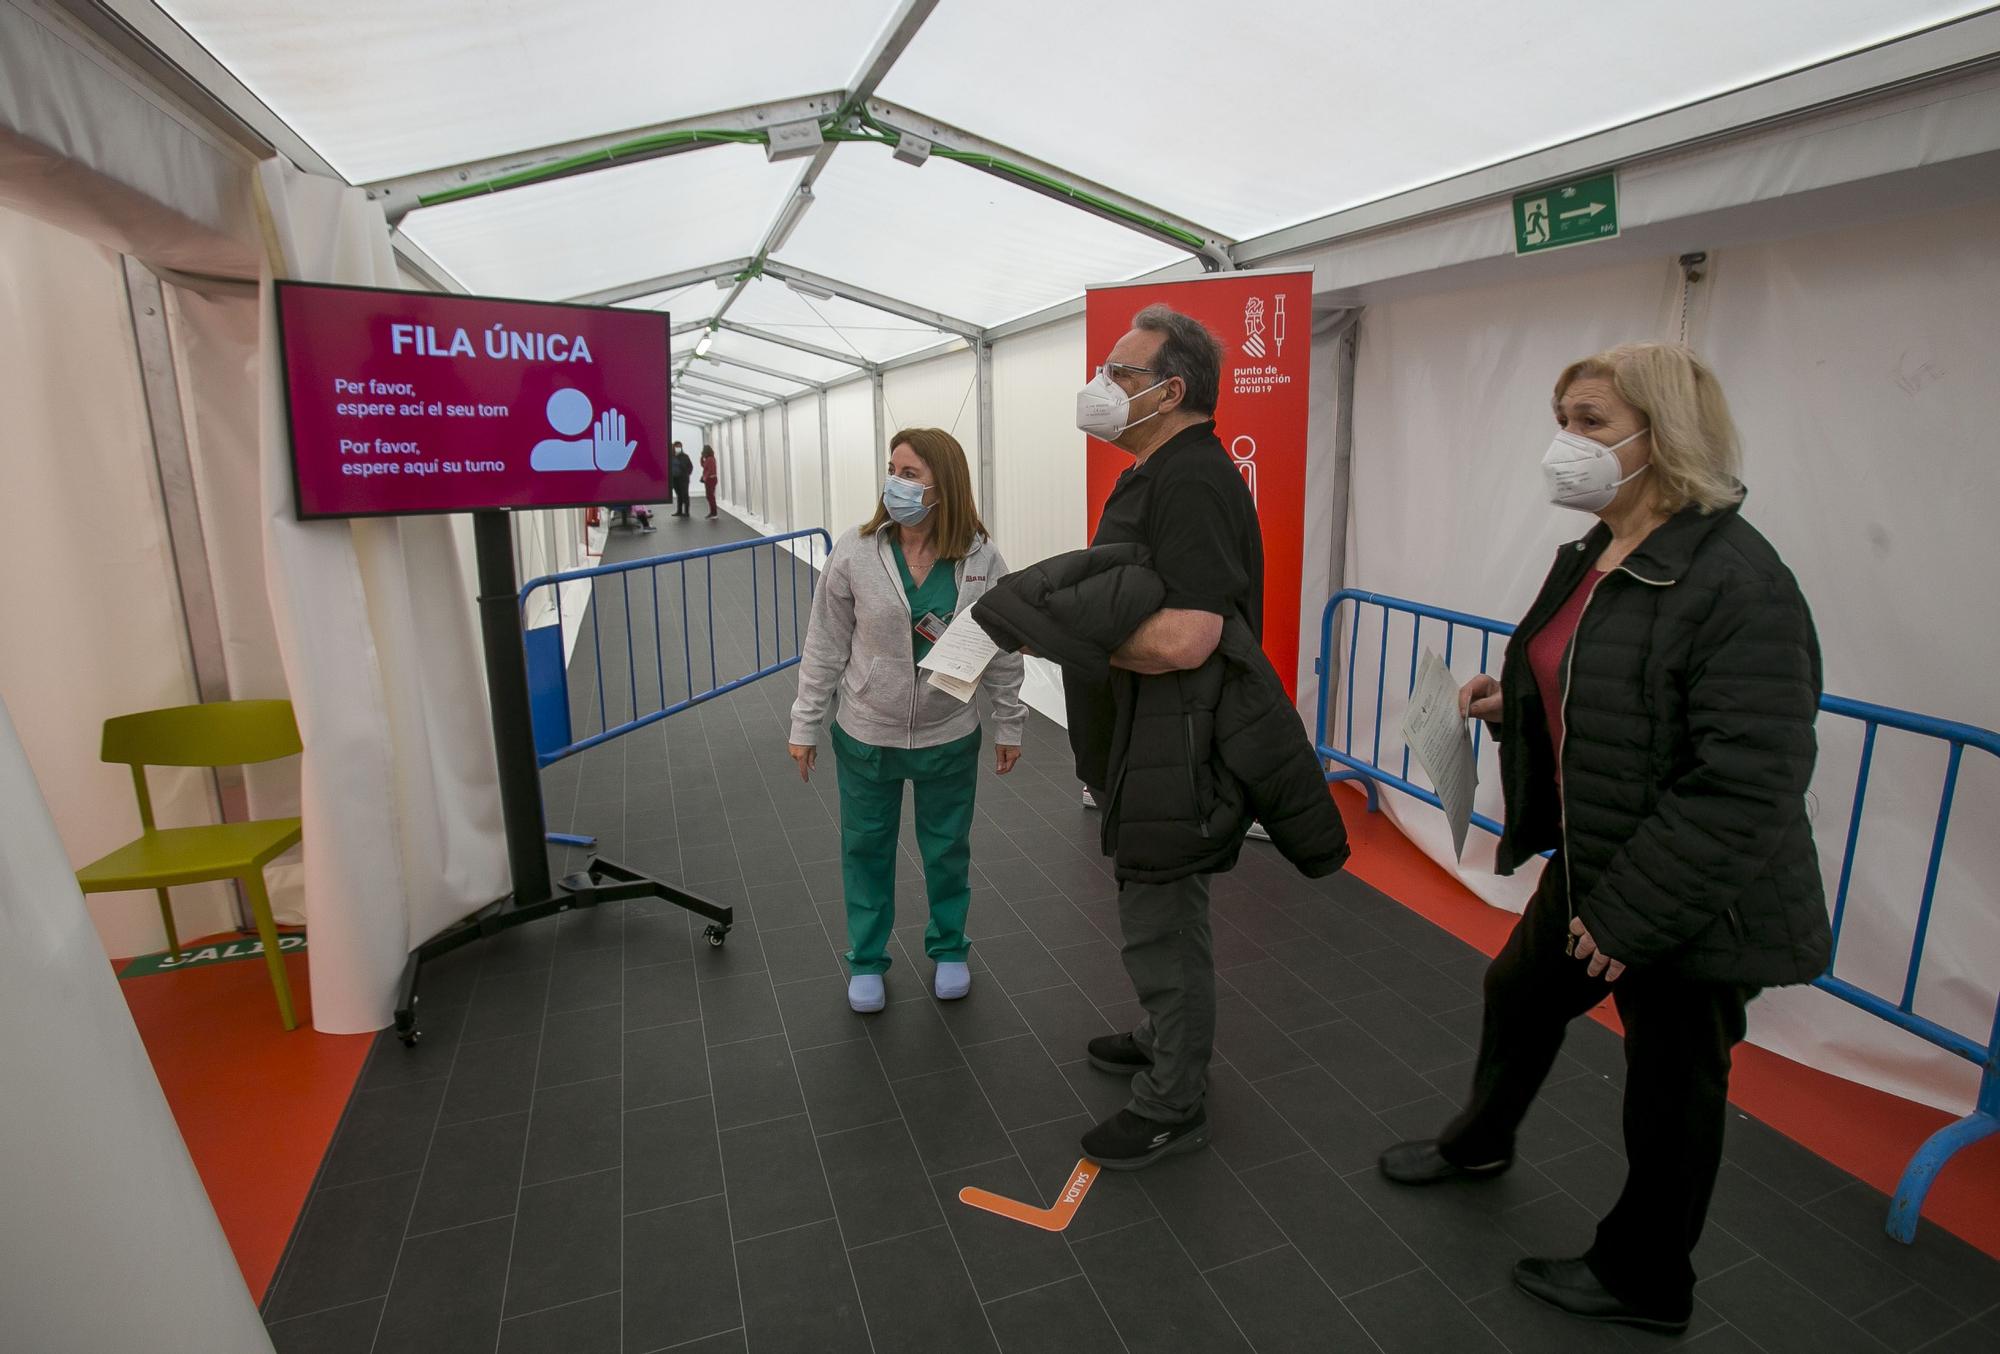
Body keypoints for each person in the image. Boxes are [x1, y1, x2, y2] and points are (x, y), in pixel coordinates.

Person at [1377, 343, 1828, 1334]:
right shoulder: (1595, 550)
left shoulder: (1736, 581)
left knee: (1671, 1086)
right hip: (1601, 857)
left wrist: (1626, 916)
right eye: (1560, 418)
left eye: (1587, 421)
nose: (1563, 443)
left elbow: (1747, 778)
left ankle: (1645, 1277)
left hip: (1692, 891)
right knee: (1518, 993)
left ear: (1661, 436)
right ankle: (1481, 1140)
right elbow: (1597, 688)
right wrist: (1513, 704)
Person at [1062, 304, 1297, 1169]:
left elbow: (1190, 636)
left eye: (1119, 375)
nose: (1101, 388)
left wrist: (1059, 628)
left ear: (1172, 390)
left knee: (1162, 914)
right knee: (1157, 905)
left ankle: (1174, 1099)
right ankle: (1169, 1036)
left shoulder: (1192, 478)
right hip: (1147, 737)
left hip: (1178, 741)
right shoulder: (1160, 472)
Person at [788, 428, 1027, 1013]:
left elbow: (1002, 644)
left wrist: (1009, 722)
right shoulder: (856, 551)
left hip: (950, 731)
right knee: (866, 849)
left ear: (943, 485)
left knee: (947, 849)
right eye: (892, 469)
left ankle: (949, 949)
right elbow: (824, 644)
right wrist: (805, 723)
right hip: (868, 731)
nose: (895, 482)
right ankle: (866, 961)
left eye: (910, 472)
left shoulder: (980, 557)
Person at [670, 441, 694, 517]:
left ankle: (687, 512)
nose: (678, 448)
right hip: (674, 479)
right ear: (673, 447)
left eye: (679, 447)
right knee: (679, 495)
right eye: (676, 447)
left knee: (685, 495)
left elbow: (690, 466)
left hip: (683, 479)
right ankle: (679, 511)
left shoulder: (685, 456)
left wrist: (687, 474)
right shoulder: (671, 456)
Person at [700, 445, 719, 519]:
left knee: (710, 496)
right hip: (711, 479)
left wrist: (705, 477)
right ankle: (713, 512)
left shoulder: (710, 459)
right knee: (710, 496)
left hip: (710, 479)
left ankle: (714, 513)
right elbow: (703, 465)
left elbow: (710, 470)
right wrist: (701, 458)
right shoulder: (709, 459)